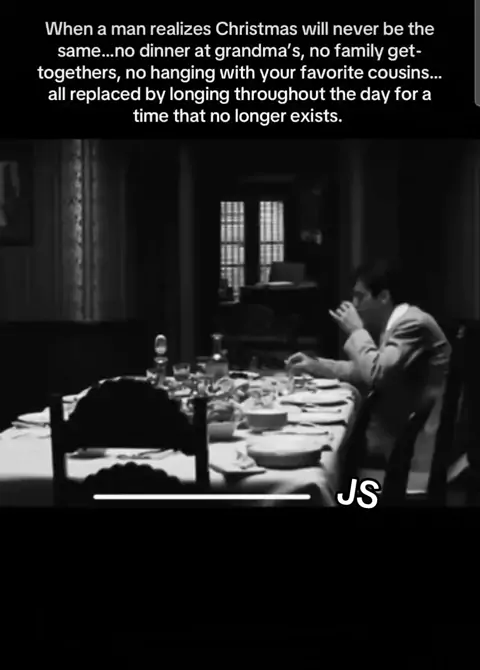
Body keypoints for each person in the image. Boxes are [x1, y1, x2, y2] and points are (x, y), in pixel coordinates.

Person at [286, 259, 451, 466]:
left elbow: (375, 375)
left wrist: (356, 330)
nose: (354, 305)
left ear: (384, 297)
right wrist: (315, 366)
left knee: (328, 451)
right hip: (402, 435)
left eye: (360, 296)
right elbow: (365, 369)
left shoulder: (412, 323)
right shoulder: (398, 323)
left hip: (418, 449)